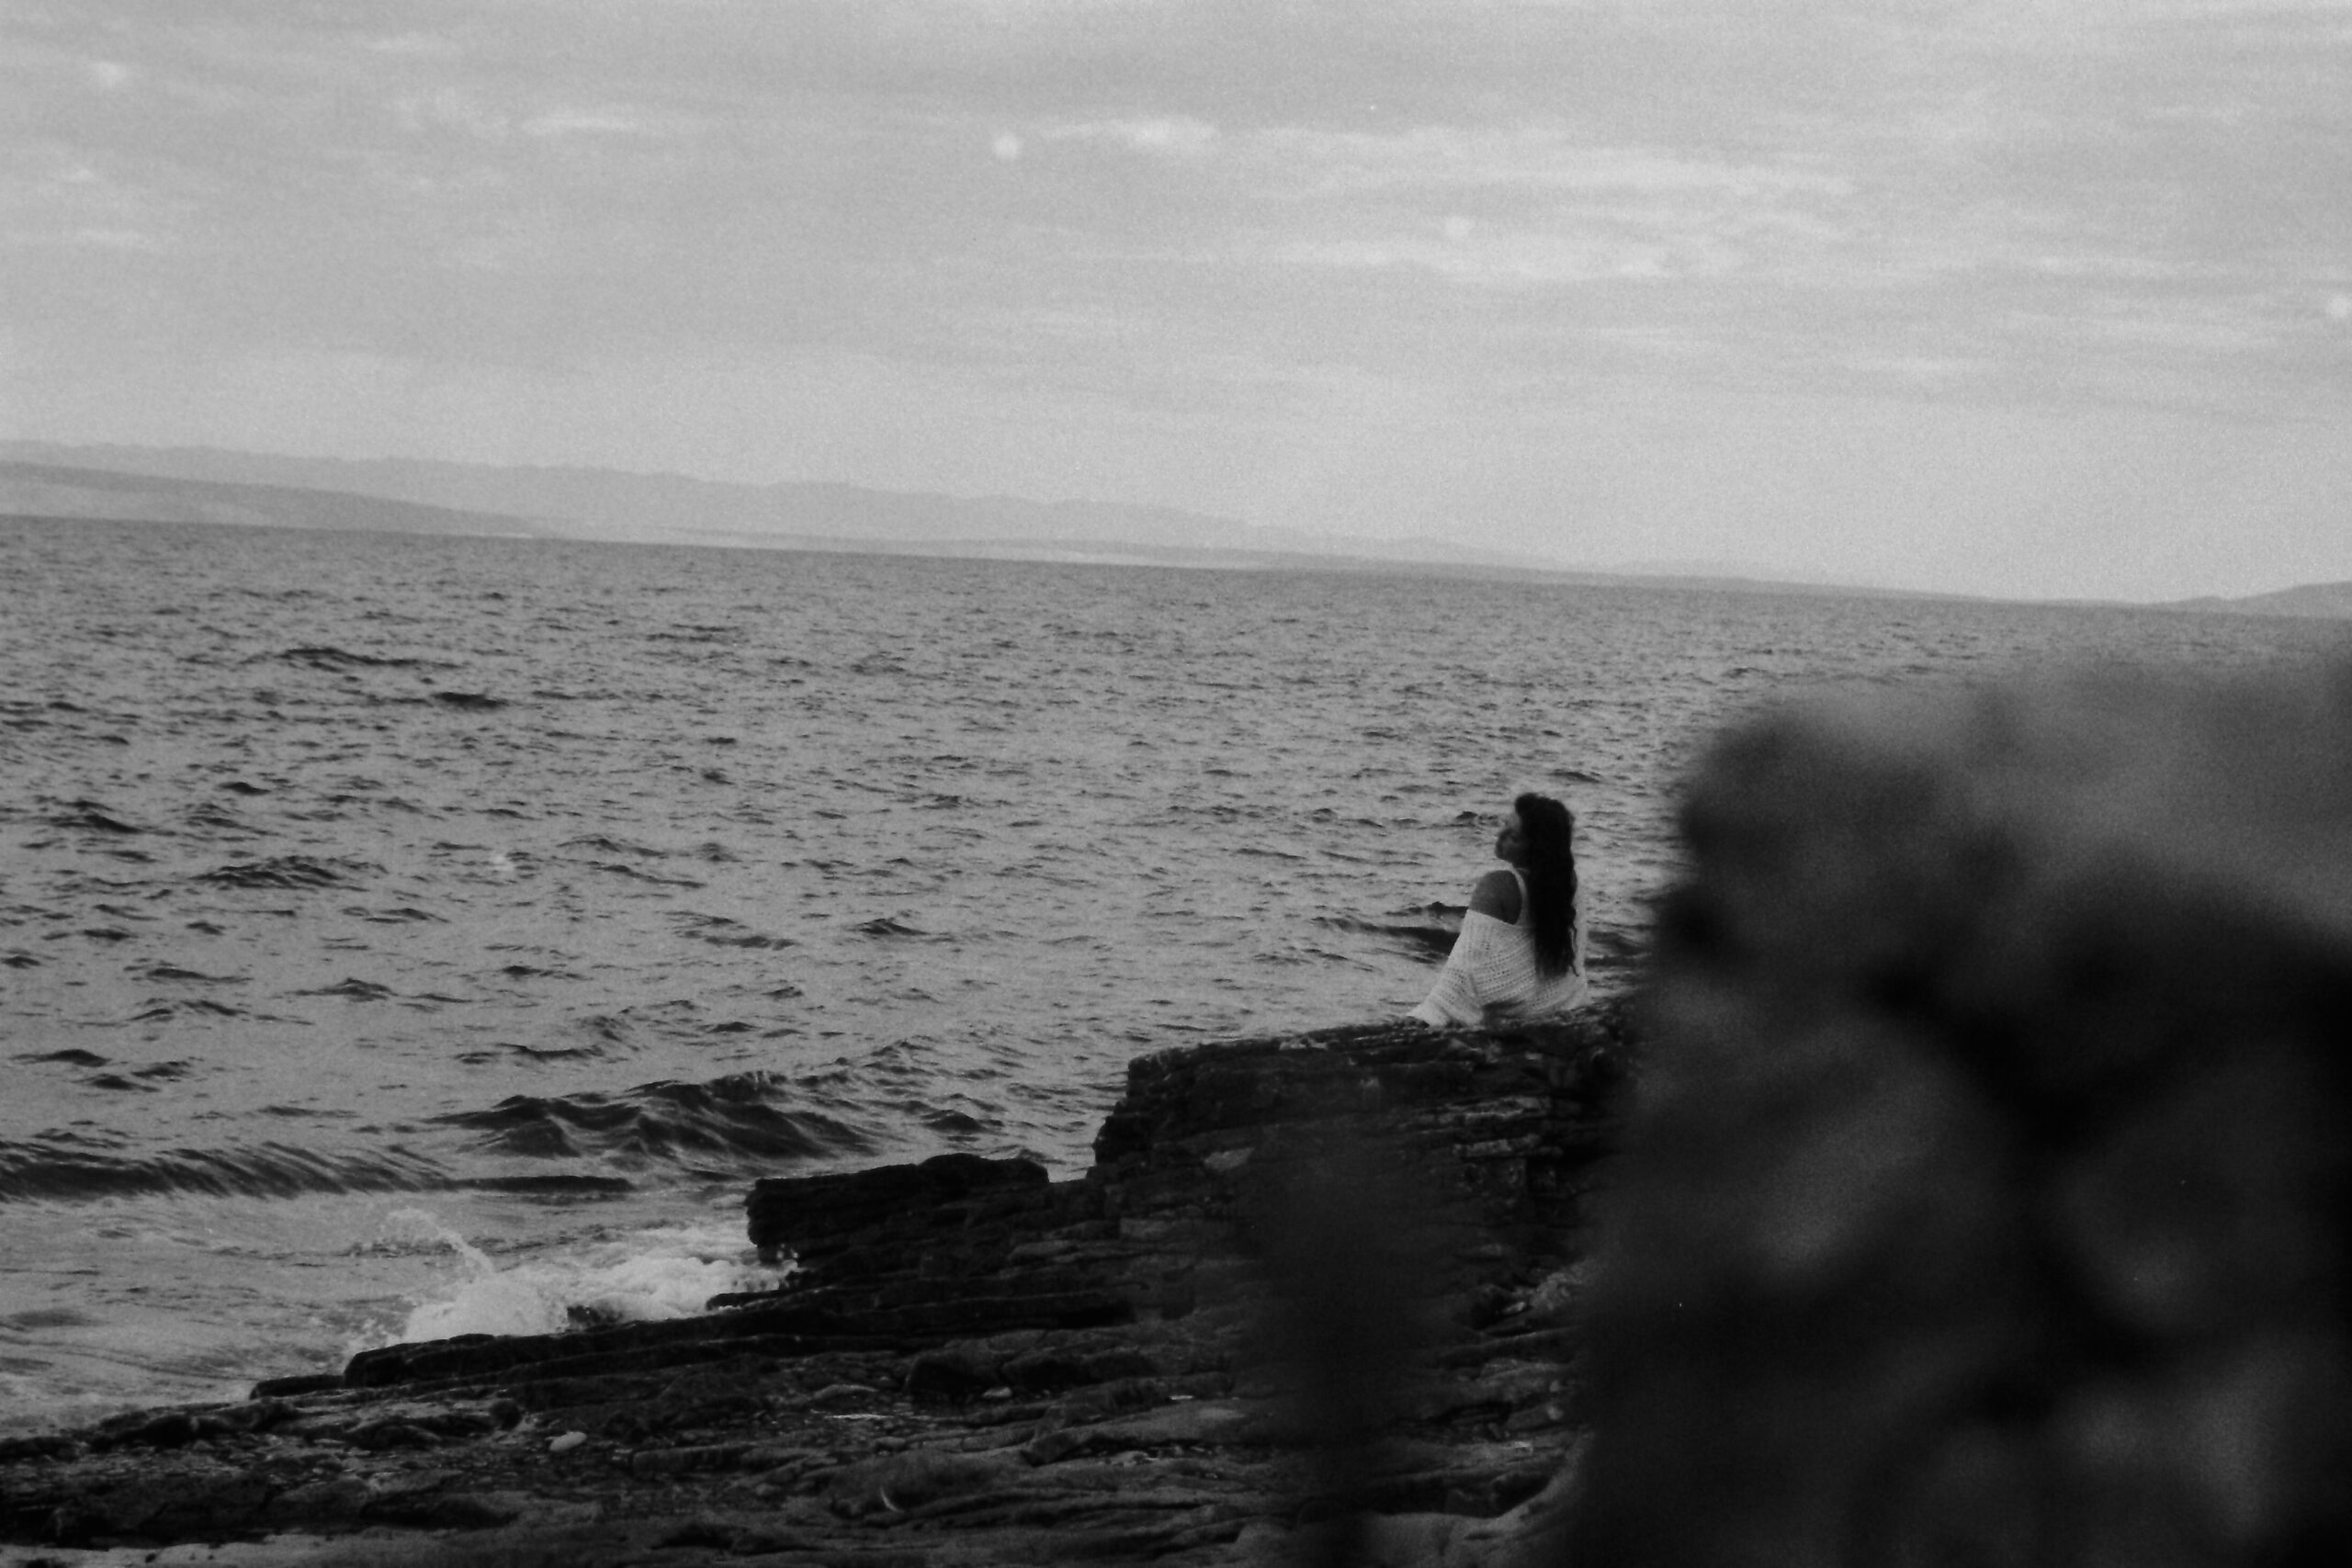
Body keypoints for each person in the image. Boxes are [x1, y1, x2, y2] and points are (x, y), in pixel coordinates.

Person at [1409, 792, 1589, 1026]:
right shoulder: (1568, 882)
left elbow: (1463, 974)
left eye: (1513, 836)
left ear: (1534, 849)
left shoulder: (1498, 885)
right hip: (1568, 1004)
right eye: (1505, 824)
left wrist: (1425, 1018)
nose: (1499, 835)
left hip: (1517, 1020)